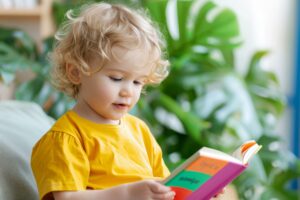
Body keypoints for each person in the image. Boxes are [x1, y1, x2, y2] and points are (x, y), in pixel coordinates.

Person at [31, 2, 174, 200]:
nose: (128, 92)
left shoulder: (139, 131)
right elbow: (67, 198)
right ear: (76, 72)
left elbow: (166, 188)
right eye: (116, 78)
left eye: (138, 82)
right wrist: (128, 194)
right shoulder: (67, 138)